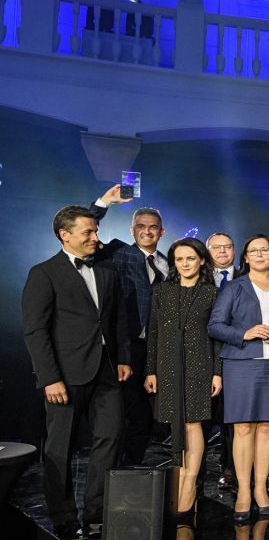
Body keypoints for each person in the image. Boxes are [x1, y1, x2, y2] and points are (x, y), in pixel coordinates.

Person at [22, 206, 131, 540]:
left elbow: (118, 320)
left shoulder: (108, 271)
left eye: (96, 231)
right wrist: (49, 378)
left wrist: (123, 359)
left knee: (110, 440)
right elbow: (36, 330)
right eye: (88, 232)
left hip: (107, 371)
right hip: (65, 376)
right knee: (61, 448)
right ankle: (63, 516)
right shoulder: (44, 273)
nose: (95, 237)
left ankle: (97, 514)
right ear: (64, 235)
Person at [208, 234, 269, 522]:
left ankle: (261, 489)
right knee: (243, 428)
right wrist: (244, 333)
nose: (259, 254)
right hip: (241, 364)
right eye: (253, 250)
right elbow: (215, 326)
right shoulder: (233, 287)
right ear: (245, 257)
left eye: (264, 250)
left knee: (267, 428)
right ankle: (244, 491)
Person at [89, 185, 168, 465]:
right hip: (126, 347)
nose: (147, 231)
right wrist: (104, 202)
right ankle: (116, 469)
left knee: (147, 414)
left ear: (162, 232)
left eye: (153, 227)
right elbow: (84, 229)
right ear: (132, 230)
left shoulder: (170, 264)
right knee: (124, 411)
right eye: (141, 226)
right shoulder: (117, 253)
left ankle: (132, 467)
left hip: (159, 349)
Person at [144, 238, 222, 516]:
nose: (185, 264)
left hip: (200, 364)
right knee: (174, 424)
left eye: (190, 258)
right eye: (179, 259)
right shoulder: (162, 291)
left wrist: (217, 373)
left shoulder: (212, 293)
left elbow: (217, 338)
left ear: (201, 260)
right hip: (167, 365)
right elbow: (153, 332)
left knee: (192, 423)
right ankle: (179, 478)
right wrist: (150, 370)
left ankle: (189, 483)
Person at [207, 232, 237, 491]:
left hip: (237, 353)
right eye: (216, 247)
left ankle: (230, 466)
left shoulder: (247, 277)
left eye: (227, 246)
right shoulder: (200, 278)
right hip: (205, 354)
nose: (222, 251)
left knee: (232, 415)